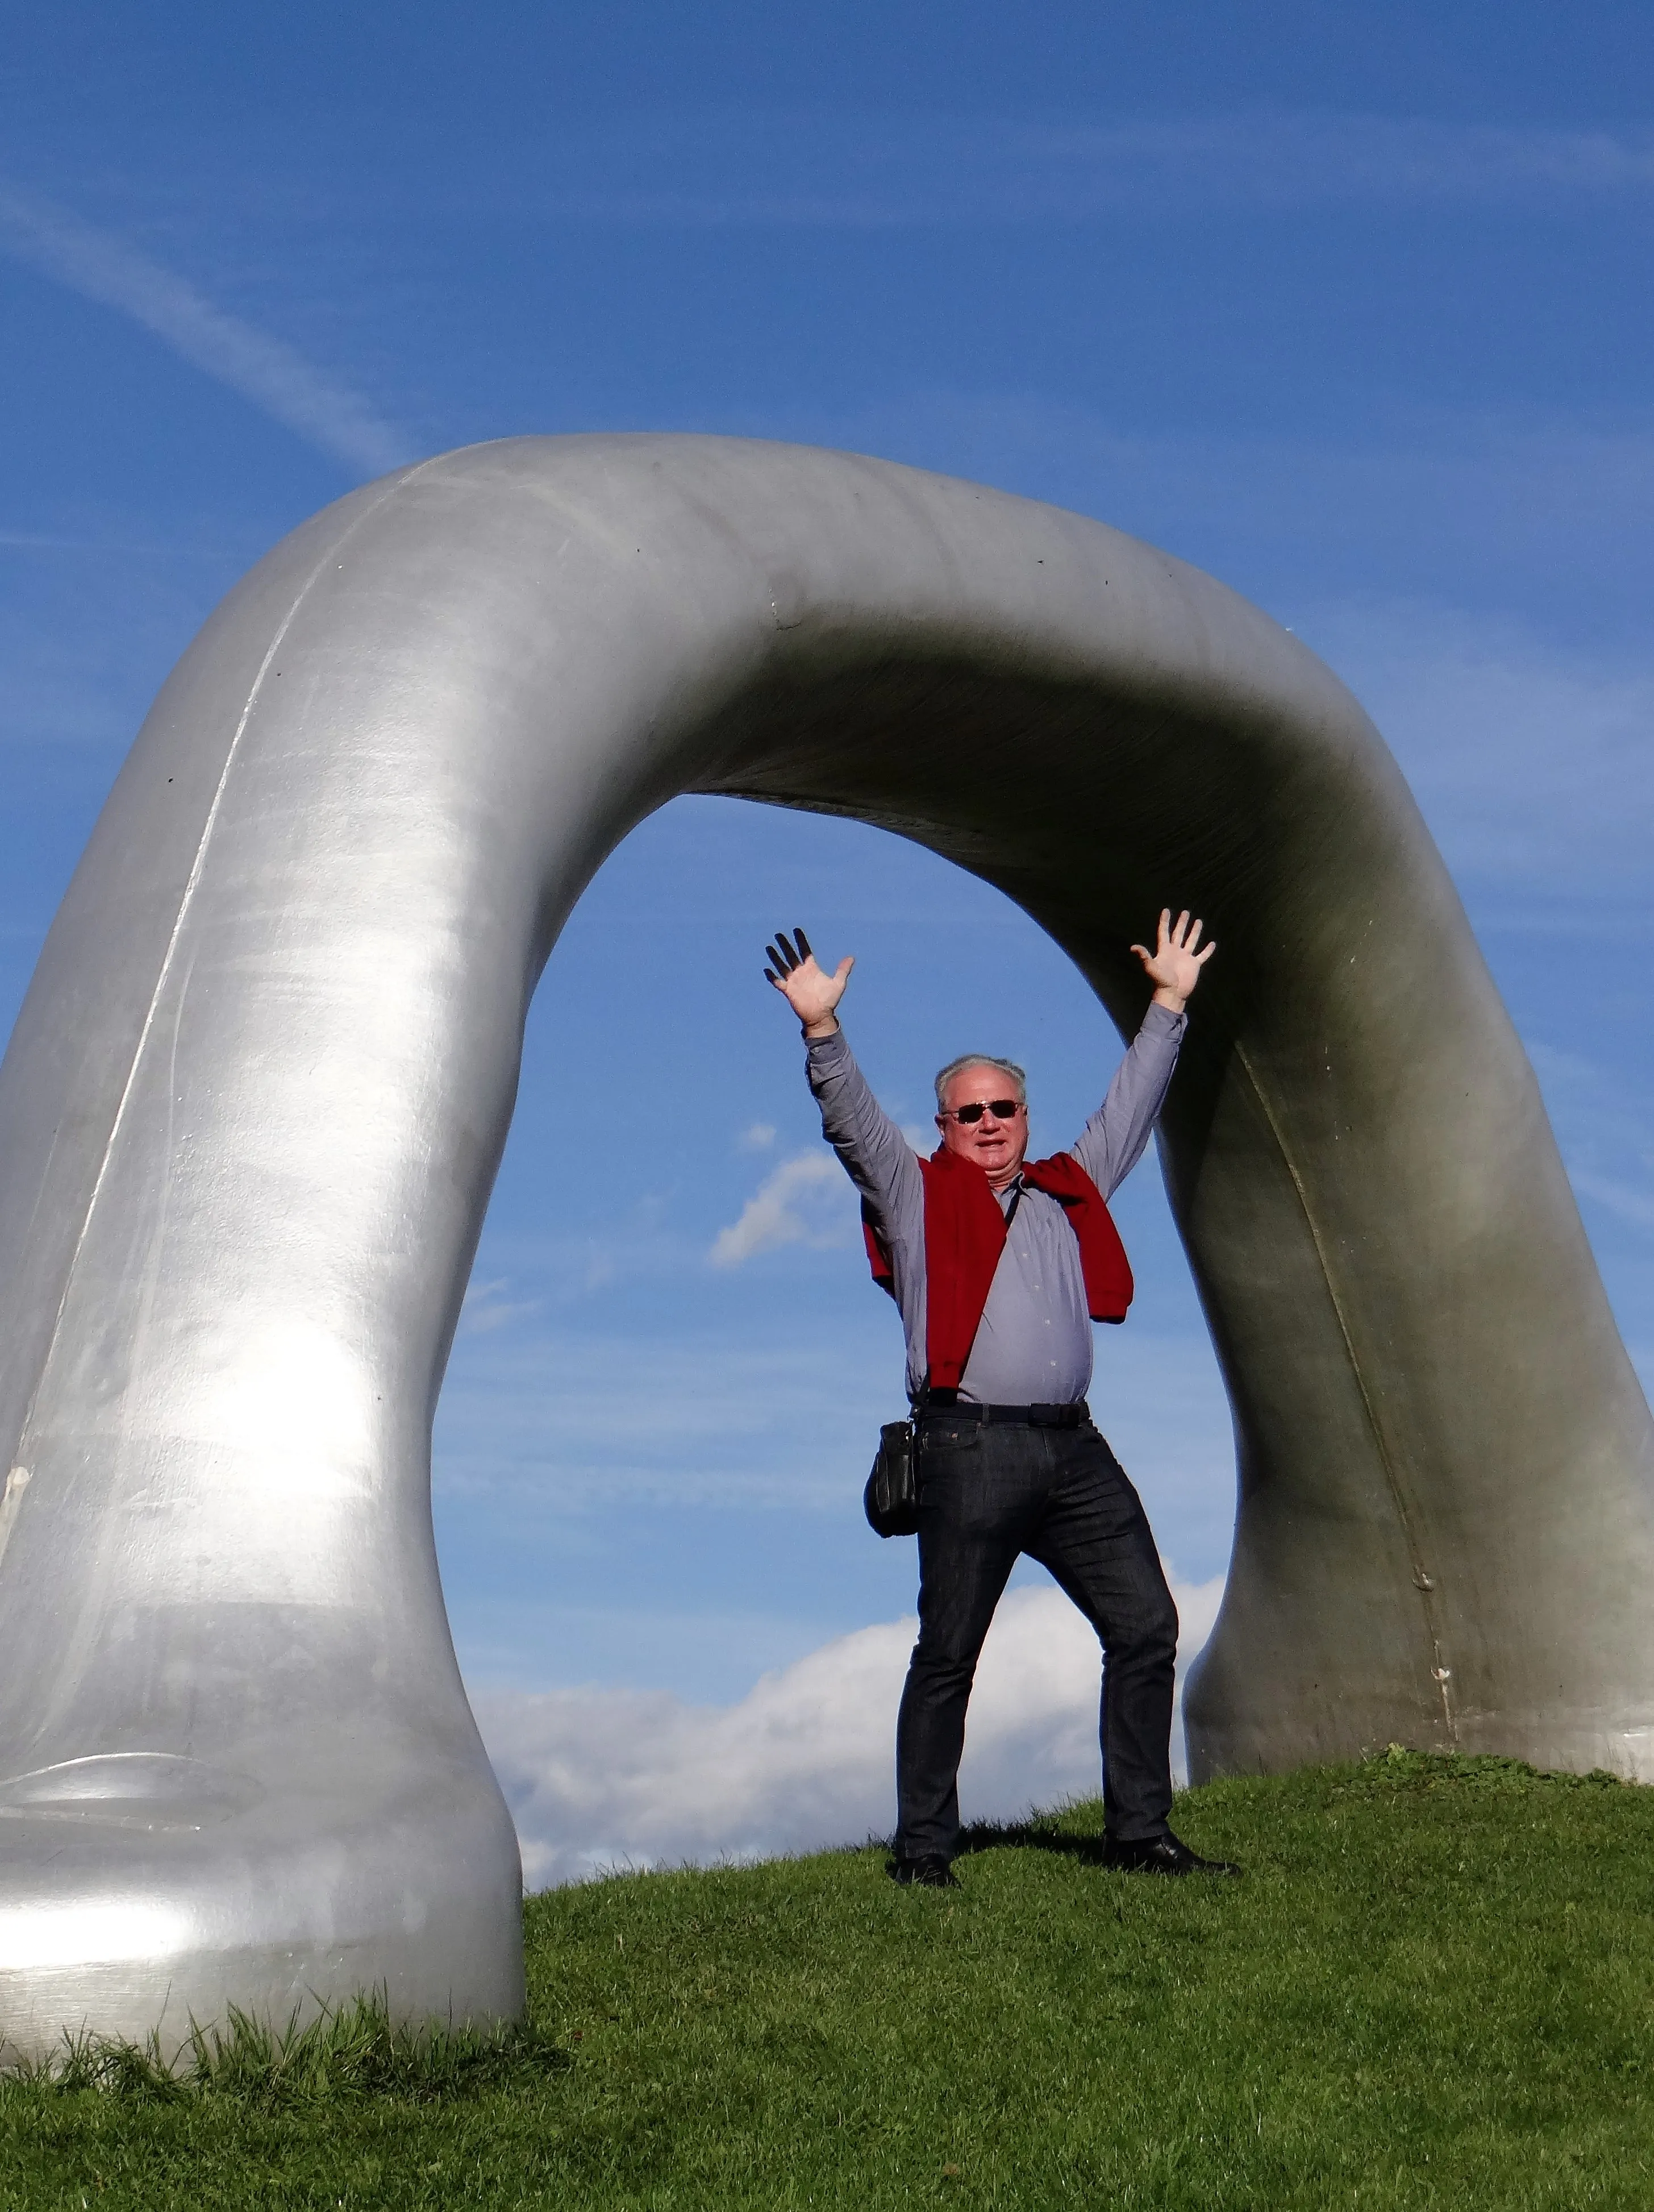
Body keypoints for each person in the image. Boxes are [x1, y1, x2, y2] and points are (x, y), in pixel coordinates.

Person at [764, 912, 1239, 1888]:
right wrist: (821, 1033)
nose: (989, 1125)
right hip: (967, 1448)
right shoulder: (914, 1192)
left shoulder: (1071, 1189)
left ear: (1025, 1116)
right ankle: (924, 1852)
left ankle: (1139, 1837)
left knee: (1145, 1626)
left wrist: (1168, 1006)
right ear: (943, 1126)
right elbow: (853, 1122)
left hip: (1075, 1452)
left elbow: (1128, 1112)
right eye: (970, 1113)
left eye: (1005, 1111)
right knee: (949, 1653)